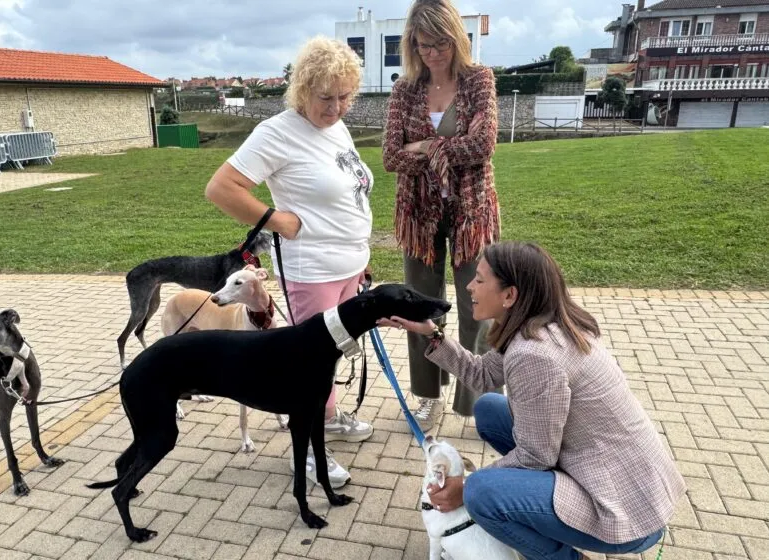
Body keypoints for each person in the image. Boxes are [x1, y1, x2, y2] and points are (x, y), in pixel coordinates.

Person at [379, 242, 686, 560]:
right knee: (488, 409)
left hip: (622, 511)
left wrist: (465, 489)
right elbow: (482, 375)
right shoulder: (537, 324)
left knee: (482, 494)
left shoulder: (534, 356)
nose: (470, 286)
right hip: (615, 477)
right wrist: (431, 332)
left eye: (480, 280)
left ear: (510, 295)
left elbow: (536, 455)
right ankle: (536, 508)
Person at [205, 36, 374, 488]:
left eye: (345, 97)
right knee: (309, 369)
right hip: (312, 271)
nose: (336, 107)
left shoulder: (336, 127)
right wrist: (276, 220)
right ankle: (311, 453)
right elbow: (221, 188)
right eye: (326, 97)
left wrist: (360, 256)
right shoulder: (277, 133)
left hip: (348, 266)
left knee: (332, 357)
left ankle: (329, 419)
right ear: (303, 89)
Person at [382, 0, 500, 430]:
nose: (432, 53)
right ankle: (428, 395)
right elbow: (391, 157)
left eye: (441, 44)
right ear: (412, 44)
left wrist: (426, 146)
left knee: (479, 307)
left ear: (457, 40)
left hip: (472, 213)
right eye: (423, 44)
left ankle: (479, 403)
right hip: (417, 215)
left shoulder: (479, 80)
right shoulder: (405, 90)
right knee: (419, 306)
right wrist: (447, 149)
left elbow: (483, 145)